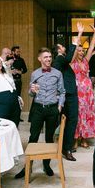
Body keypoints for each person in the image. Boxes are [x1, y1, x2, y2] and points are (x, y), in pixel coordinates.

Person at [18, 47, 65, 178]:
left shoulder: (57, 73)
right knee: (33, 137)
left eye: (50, 57)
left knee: (50, 138)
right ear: (40, 59)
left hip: (52, 109)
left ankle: (46, 165)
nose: (49, 59)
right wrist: (32, 90)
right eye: (46, 57)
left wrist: (60, 105)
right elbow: (30, 93)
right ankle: (28, 167)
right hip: (38, 108)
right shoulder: (35, 74)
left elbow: (62, 92)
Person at [52, 28, 82, 161]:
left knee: (70, 121)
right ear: (58, 50)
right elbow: (70, 57)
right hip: (67, 95)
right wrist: (75, 41)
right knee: (70, 121)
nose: (64, 47)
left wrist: (79, 34)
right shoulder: (59, 59)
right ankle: (65, 148)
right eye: (62, 46)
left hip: (69, 94)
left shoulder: (61, 61)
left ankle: (65, 147)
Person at [71, 26, 95, 149]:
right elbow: (74, 47)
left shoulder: (86, 61)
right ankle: (75, 139)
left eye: (83, 51)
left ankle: (84, 138)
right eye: (79, 50)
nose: (82, 53)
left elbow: (92, 47)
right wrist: (79, 33)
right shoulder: (72, 62)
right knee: (77, 114)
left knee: (87, 114)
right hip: (77, 92)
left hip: (88, 92)